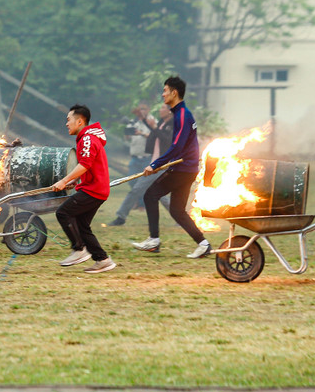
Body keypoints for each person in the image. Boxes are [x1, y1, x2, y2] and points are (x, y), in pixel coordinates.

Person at [131, 76, 210, 258]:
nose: (163, 94)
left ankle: (154, 240)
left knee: (150, 195)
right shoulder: (181, 113)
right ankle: (203, 244)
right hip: (187, 168)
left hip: (182, 168)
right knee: (177, 210)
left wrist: (155, 164)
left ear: (174, 93)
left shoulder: (182, 115)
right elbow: (179, 146)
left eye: (165, 90)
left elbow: (177, 147)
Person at [51, 104, 116, 273]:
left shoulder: (87, 138)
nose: (66, 124)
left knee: (63, 213)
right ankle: (103, 260)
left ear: (80, 121)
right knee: (81, 225)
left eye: (69, 120)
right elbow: (88, 166)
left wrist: (64, 181)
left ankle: (79, 249)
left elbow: (85, 164)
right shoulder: (86, 138)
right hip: (96, 189)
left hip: (93, 190)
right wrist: (75, 180)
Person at [107, 103, 171, 226]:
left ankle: (121, 217)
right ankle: (180, 216)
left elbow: (162, 138)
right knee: (152, 191)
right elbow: (153, 134)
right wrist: (140, 121)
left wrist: (146, 129)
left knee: (140, 190)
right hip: (151, 161)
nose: (160, 110)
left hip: (155, 162)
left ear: (169, 112)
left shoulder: (164, 125)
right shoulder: (158, 124)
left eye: (163, 108)